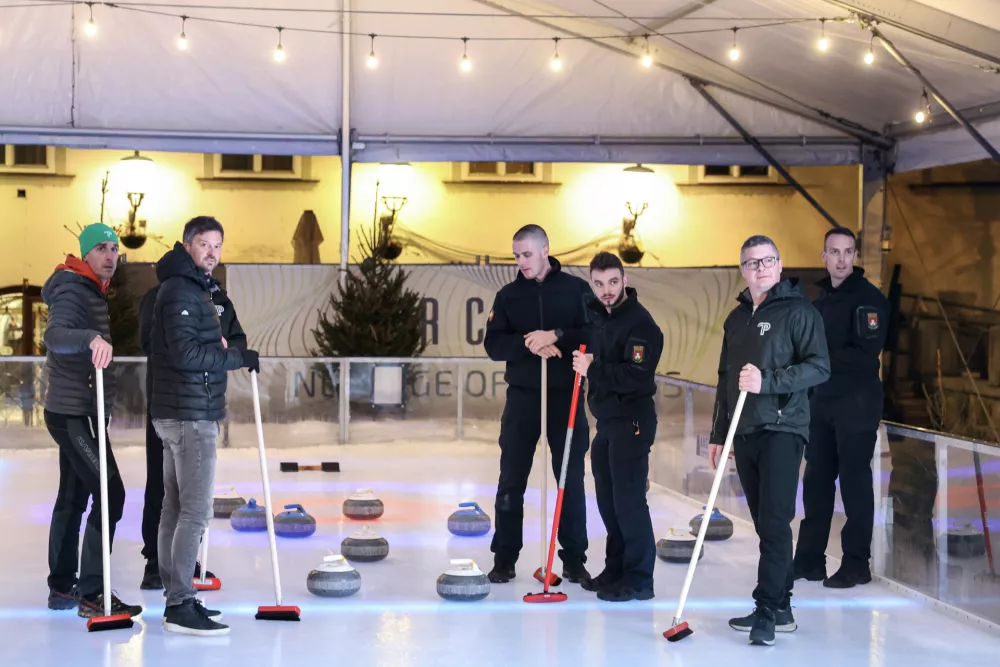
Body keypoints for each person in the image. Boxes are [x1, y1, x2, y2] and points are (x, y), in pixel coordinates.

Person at [709, 235, 830, 646]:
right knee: (765, 524)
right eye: (752, 262)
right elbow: (725, 379)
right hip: (745, 431)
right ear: (742, 270)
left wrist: (768, 382)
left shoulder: (799, 312)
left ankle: (765, 609)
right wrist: (718, 433)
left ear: (779, 265)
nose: (760, 268)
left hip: (783, 427)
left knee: (776, 521)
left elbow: (820, 367)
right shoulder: (735, 319)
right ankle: (782, 607)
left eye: (767, 261)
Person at [150, 216, 259, 636]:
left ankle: (175, 596)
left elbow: (204, 345)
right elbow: (187, 355)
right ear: (187, 246)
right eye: (204, 244)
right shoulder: (181, 290)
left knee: (175, 509)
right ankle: (180, 603)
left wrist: (226, 348)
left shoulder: (197, 288)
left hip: (183, 412)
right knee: (194, 512)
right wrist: (235, 357)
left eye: (217, 245)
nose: (212, 253)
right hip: (190, 416)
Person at [42, 223, 143, 619]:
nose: (110, 256)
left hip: (80, 410)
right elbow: (55, 336)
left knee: (73, 495)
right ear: (85, 254)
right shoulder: (73, 287)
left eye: (114, 249)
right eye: (101, 248)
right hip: (73, 413)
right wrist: (90, 338)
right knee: (110, 492)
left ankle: (61, 586)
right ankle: (93, 593)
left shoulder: (90, 288)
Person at [483, 224, 593, 585]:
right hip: (523, 398)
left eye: (527, 254)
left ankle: (574, 559)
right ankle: (504, 558)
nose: (521, 261)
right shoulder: (509, 296)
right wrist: (530, 343)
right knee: (511, 480)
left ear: (546, 249)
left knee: (569, 481)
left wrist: (556, 335)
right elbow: (493, 345)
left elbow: (594, 333)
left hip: (567, 397)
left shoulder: (576, 290)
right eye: (516, 256)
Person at [794, 228, 888, 588]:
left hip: (856, 404)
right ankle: (809, 560)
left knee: (854, 482)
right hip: (822, 403)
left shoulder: (869, 300)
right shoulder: (819, 302)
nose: (842, 259)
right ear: (824, 256)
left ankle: (856, 564)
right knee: (816, 480)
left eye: (848, 252)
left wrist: (817, 360)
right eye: (834, 252)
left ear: (855, 256)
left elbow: (865, 355)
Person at [571, 252, 663, 601]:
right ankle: (616, 569)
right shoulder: (600, 319)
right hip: (607, 423)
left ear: (625, 280)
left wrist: (592, 368)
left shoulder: (641, 325)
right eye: (599, 284)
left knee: (629, 502)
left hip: (632, 422)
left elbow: (635, 377)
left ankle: (639, 579)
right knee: (609, 504)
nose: (606, 290)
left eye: (612, 282)